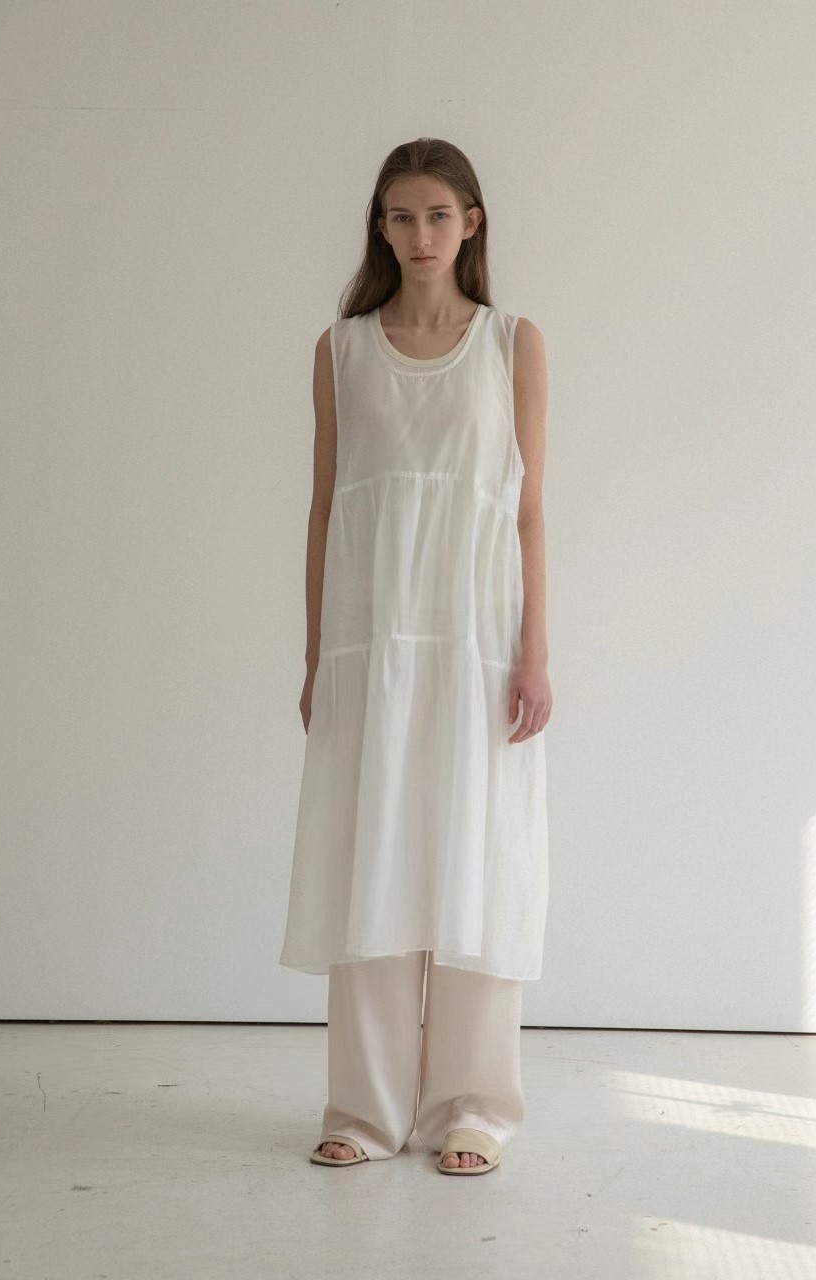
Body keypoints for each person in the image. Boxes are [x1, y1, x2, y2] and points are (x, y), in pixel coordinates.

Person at [278, 137, 551, 1175]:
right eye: (401, 216)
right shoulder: (342, 349)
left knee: (474, 863)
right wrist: (319, 653)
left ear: (470, 223)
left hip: (479, 645)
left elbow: (526, 509)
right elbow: (325, 507)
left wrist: (534, 653)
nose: (420, 234)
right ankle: (364, 1106)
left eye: (438, 214)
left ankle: (472, 1107)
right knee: (375, 858)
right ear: (380, 228)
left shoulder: (512, 343)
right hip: (373, 645)